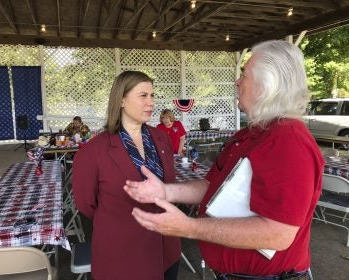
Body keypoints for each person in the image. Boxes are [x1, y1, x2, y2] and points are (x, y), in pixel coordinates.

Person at [124, 40, 324, 280]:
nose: (237, 81)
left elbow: (277, 233)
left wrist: (188, 227)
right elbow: (213, 186)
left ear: (266, 86)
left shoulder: (287, 140)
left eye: (244, 74)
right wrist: (166, 192)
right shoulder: (252, 133)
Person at [72, 71, 181, 280]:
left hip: (166, 250)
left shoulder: (161, 139)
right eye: (143, 96)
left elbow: (169, 186)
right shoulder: (93, 151)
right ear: (121, 99)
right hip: (123, 256)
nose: (151, 102)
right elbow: (86, 205)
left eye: (152, 95)